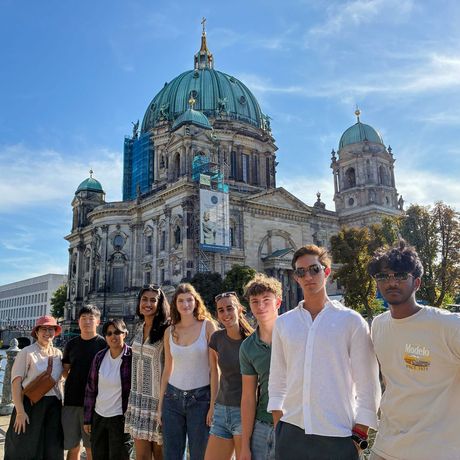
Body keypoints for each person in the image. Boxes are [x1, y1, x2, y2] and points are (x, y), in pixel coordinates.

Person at [268, 244, 380, 460]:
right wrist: (278, 423)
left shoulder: (351, 321)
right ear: (296, 278)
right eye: (301, 272)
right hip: (291, 432)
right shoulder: (284, 323)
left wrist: (359, 437)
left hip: (337, 434)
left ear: (326, 272)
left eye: (314, 269)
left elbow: (368, 384)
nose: (308, 276)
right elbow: (277, 378)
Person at [368, 240, 460, 460]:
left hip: (436, 451)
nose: (391, 282)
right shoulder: (378, 325)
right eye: (383, 276)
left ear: (416, 282)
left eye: (400, 275)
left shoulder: (448, 326)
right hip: (385, 447)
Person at [158, 283, 217, 460]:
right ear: (175, 304)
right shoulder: (169, 331)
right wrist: (160, 405)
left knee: (200, 454)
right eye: (181, 301)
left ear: (196, 302)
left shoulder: (208, 327)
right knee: (172, 455)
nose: (185, 304)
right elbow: (168, 368)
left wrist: (213, 404)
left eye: (189, 300)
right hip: (172, 398)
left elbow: (215, 369)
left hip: (201, 399)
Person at [5, 315, 64, 460]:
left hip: (54, 407)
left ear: (55, 332)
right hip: (30, 405)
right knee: (25, 447)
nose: (47, 333)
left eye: (51, 329)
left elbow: (60, 382)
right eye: (43, 329)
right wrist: (20, 411)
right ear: (36, 332)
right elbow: (16, 383)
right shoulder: (27, 352)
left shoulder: (58, 354)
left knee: (52, 447)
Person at [205, 292, 254, 460]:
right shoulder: (216, 338)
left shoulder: (251, 340)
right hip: (221, 411)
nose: (226, 314)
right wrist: (212, 406)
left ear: (239, 309)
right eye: (221, 310)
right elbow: (215, 374)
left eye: (229, 308)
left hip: (243, 412)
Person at [124, 285, 170, 460]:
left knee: (160, 456)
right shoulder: (139, 328)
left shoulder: (167, 329)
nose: (148, 304)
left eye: (153, 300)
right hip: (138, 400)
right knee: (141, 456)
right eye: (144, 299)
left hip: (158, 401)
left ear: (160, 304)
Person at [239, 274, 282, 460]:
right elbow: (248, 397)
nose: (260, 306)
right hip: (261, 427)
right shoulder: (248, 347)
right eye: (255, 301)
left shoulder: (295, 335)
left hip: (294, 425)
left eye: (266, 300)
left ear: (278, 303)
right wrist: (244, 445)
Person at [83, 319, 133, 460]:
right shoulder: (99, 357)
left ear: (125, 334)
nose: (113, 336)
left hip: (120, 419)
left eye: (117, 332)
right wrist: (88, 419)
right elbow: (91, 389)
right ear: (105, 337)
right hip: (99, 417)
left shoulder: (133, 358)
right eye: (109, 333)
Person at [62, 305, 106, 460]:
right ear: (78, 321)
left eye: (91, 318)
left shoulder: (104, 345)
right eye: (83, 318)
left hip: (95, 405)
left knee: (91, 448)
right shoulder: (71, 344)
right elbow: (65, 370)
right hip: (71, 401)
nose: (87, 322)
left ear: (98, 321)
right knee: (72, 447)